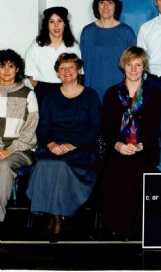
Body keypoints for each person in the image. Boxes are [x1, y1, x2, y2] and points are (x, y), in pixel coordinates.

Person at [26, 53, 101, 243]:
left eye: (71, 67)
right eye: (62, 68)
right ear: (57, 73)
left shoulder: (90, 95)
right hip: (53, 146)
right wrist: (51, 144)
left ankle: (56, 217)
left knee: (60, 165)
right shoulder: (50, 97)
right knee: (44, 164)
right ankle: (57, 216)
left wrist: (72, 145)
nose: (67, 71)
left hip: (81, 148)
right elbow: (43, 128)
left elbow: (95, 128)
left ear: (78, 70)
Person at [100, 46, 161, 241]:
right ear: (123, 66)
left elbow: (157, 127)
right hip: (116, 147)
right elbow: (105, 127)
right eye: (129, 65)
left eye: (138, 65)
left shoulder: (155, 94)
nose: (133, 69)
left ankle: (136, 227)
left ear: (144, 67)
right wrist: (118, 145)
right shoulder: (112, 93)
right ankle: (115, 225)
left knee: (136, 168)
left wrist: (140, 145)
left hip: (145, 148)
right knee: (116, 168)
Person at [0, 49, 38, 225]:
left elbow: (31, 129)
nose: (6, 71)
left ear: (17, 69)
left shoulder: (28, 94)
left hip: (22, 149)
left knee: (3, 167)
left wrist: (10, 150)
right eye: (2, 66)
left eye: (11, 66)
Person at [80, 0, 136, 103]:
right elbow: (82, 65)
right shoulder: (88, 32)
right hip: (92, 90)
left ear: (116, 6)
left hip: (118, 91)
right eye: (102, 2)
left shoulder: (126, 32)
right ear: (97, 5)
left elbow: (133, 65)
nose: (105, 6)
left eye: (110, 2)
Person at [25, 6, 81, 108]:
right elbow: (31, 76)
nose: (56, 25)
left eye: (60, 21)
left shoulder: (74, 48)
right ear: (47, 25)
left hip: (68, 91)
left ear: (65, 24)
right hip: (43, 93)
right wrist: (42, 91)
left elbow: (79, 74)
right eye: (51, 21)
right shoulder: (36, 48)